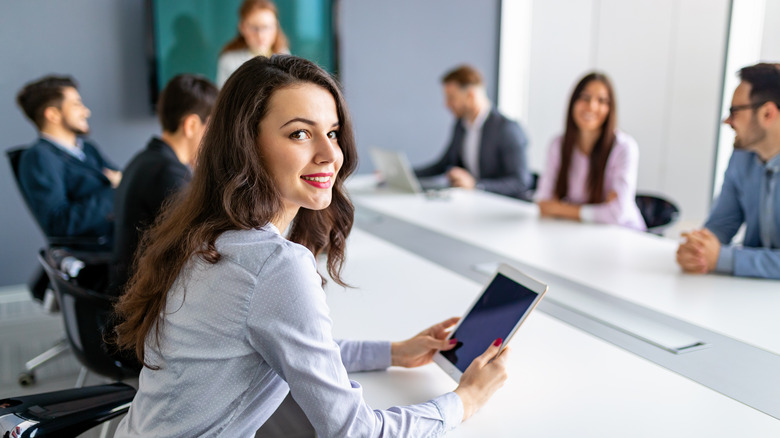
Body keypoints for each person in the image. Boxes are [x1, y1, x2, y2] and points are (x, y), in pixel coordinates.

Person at [112, 55, 509, 437]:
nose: (330, 154)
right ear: (246, 144)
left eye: (332, 132)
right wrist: (464, 400)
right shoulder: (272, 265)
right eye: (300, 133)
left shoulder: (206, 234)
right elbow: (355, 431)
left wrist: (394, 352)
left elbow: (293, 344)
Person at [109, 74, 218, 296]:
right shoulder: (168, 174)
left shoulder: (146, 159)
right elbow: (195, 244)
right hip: (144, 298)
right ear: (191, 125)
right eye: (213, 128)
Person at [676, 63, 780, 279]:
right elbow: (721, 224)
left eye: (735, 111)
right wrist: (698, 249)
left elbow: (721, 256)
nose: (727, 121)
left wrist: (724, 259)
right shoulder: (742, 156)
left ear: (767, 113)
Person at [535, 72, 646, 231]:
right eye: (585, 98)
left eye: (601, 101)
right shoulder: (558, 144)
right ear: (573, 102)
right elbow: (543, 203)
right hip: (578, 231)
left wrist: (560, 208)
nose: (592, 106)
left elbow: (617, 214)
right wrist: (599, 210)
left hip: (623, 234)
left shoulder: (624, 147)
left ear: (610, 108)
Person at [15, 75, 121, 239]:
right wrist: (115, 191)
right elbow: (59, 224)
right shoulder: (39, 157)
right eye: (76, 104)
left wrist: (119, 186)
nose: (86, 111)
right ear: (53, 115)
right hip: (101, 250)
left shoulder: (87, 148)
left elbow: (123, 179)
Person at [414, 65, 533, 200]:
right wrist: (405, 174)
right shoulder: (461, 125)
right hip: (473, 203)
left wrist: (476, 185)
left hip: (502, 207)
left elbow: (520, 182)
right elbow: (443, 164)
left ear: (470, 95)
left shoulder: (507, 129)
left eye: (451, 98)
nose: (446, 104)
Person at [216, 0, 289, 87]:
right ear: (242, 28)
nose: (260, 35)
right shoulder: (229, 61)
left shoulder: (285, 56)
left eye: (266, 27)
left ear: (276, 27)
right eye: (254, 28)